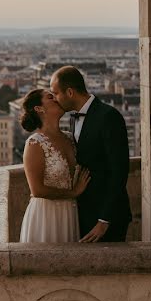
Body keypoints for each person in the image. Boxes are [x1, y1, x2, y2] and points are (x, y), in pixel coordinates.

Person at [50, 65, 132, 242]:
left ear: (70, 92)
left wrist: (104, 220)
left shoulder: (109, 116)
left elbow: (119, 171)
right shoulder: (74, 117)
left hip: (107, 217)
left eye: (56, 93)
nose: (55, 99)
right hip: (85, 212)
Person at [19, 89, 91, 242]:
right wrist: (73, 193)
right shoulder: (35, 143)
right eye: (50, 97)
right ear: (39, 108)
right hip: (45, 216)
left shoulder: (71, 138)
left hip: (69, 214)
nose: (57, 98)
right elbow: (37, 190)